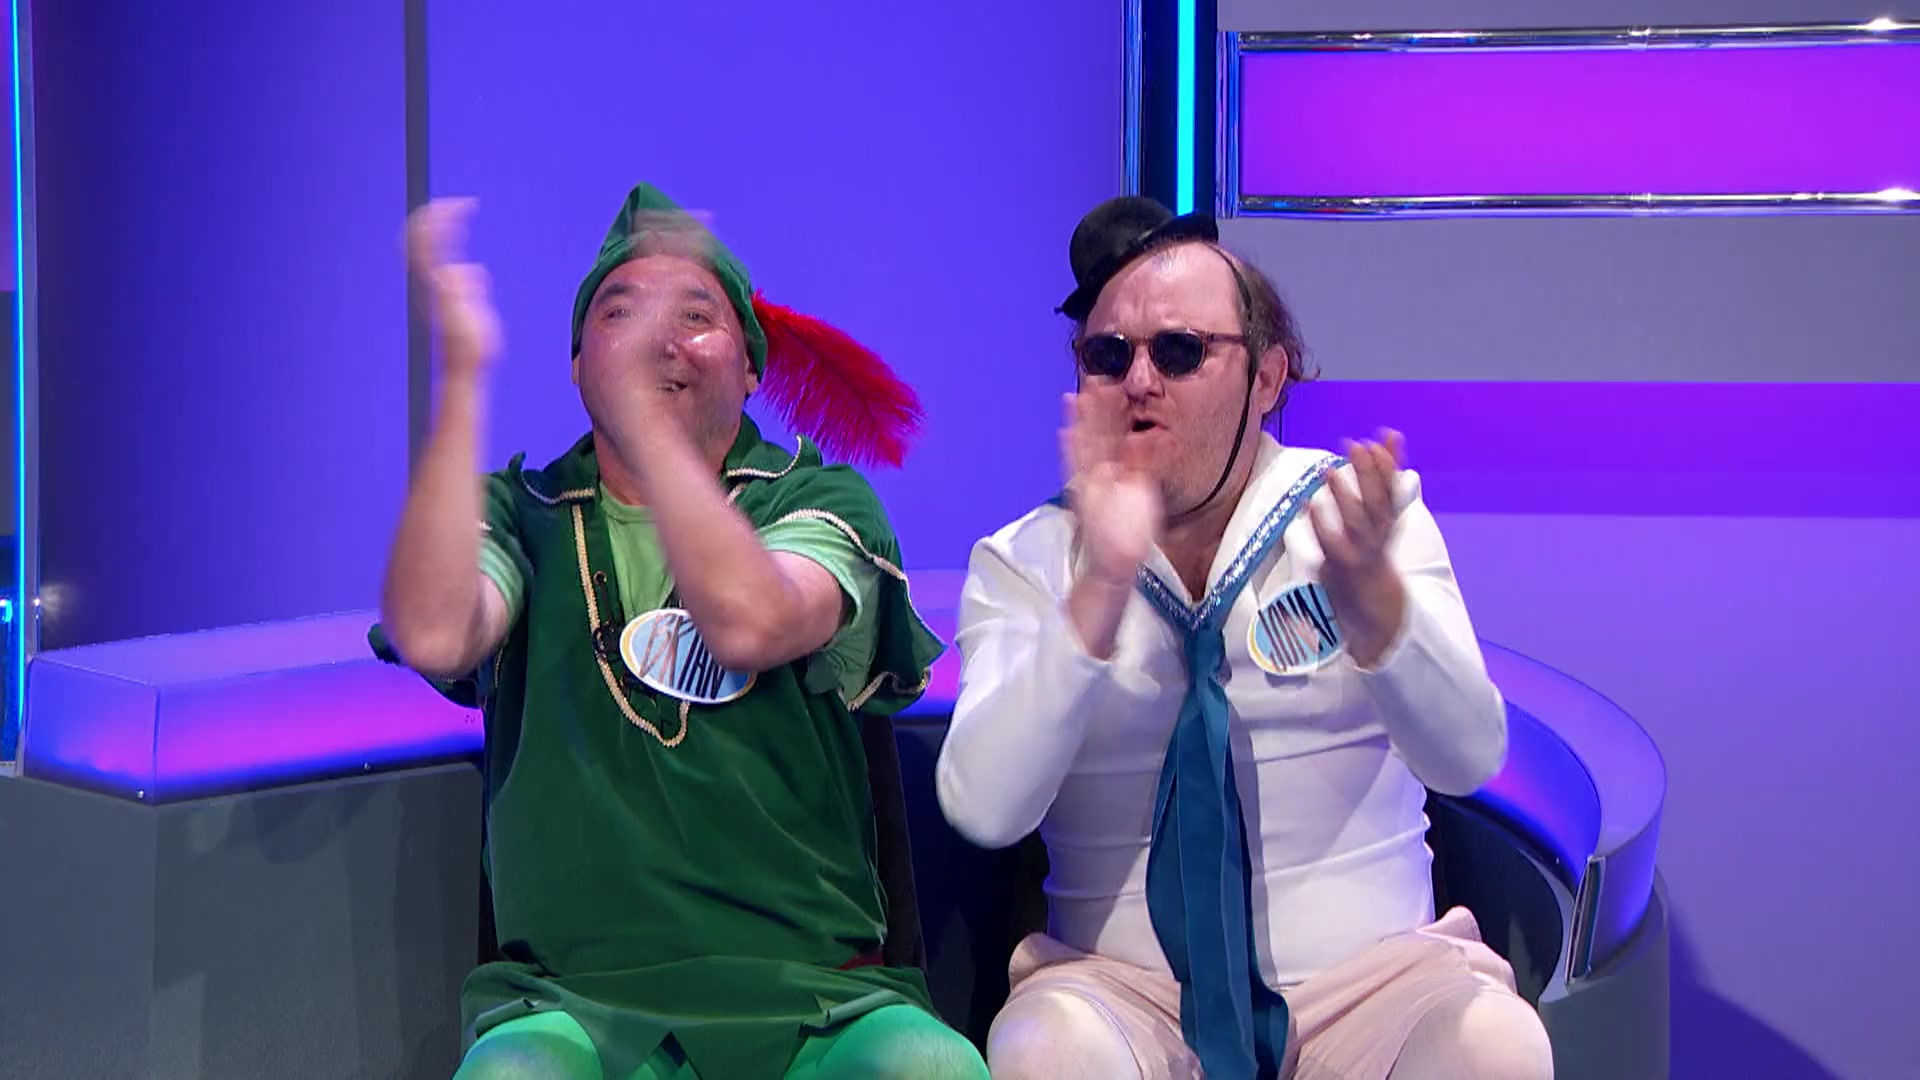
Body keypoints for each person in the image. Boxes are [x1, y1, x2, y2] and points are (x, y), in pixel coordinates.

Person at [375, 183, 989, 1080]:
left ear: (751, 367)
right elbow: (435, 634)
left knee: (931, 1069)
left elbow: (751, 620)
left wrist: (645, 419)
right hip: (574, 1007)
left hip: (816, 1004)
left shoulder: (816, 498)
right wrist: (463, 376)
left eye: (694, 317)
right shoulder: (523, 512)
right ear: (577, 363)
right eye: (620, 314)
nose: (658, 339)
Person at [936, 196, 1555, 1080]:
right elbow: (985, 808)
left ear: (1266, 378)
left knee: (1496, 1045)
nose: (1139, 381)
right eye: (1109, 357)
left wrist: (1380, 618)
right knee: (1043, 1052)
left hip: (1377, 986)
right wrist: (1100, 584)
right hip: (1123, 997)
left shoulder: (1358, 517)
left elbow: (1469, 759)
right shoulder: (1028, 561)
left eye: (1179, 351)